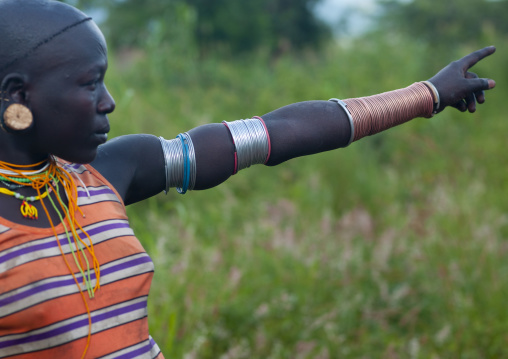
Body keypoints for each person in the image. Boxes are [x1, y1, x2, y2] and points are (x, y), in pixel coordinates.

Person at [0, 0, 496, 358]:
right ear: (18, 95)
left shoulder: (108, 174)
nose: (109, 102)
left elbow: (276, 133)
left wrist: (426, 94)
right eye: (90, 83)